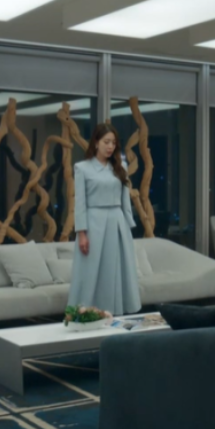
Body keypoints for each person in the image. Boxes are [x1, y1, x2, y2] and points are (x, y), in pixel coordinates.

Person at [69, 123, 141, 315]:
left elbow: (125, 199)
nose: (110, 146)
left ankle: (116, 313)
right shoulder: (82, 168)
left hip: (117, 223)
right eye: (106, 142)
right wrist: (81, 233)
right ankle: (84, 313)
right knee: (90, 270)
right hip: (93, 223)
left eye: (113, 143)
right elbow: (80, 203)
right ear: (96, 142)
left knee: (115, 270)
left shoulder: (120, 167)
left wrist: (127, 226)